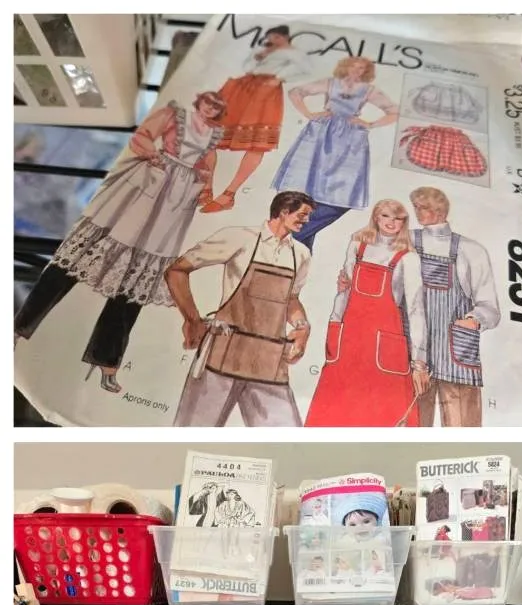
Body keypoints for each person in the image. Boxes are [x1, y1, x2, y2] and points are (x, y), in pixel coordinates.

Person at [14, 92, 226, 393]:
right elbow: (141, 138)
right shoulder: (174, 114)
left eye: (217, 106)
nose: (211, 108)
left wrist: (205, 183)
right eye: (209, 102)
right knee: (81, 255)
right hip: (145, 186)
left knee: (137, 279)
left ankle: (107, 359)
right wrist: (154, 156)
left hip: (175, 204)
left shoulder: (214, 135)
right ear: (200, 101)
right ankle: (19, 327)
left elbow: (209, 163)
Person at [167, 190, 314, 426]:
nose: (307, 221)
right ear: (284, 211)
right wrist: (192, 319)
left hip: (269, 360)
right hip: (223, 353)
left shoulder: (301, 254)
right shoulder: (239, 237)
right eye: (303, 215)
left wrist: (302, 327)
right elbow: (177, 270)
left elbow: (291, 299)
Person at [305, 199, 428, 427]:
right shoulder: (357, 244)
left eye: (397, 218)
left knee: (382, 412)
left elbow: (415, 309)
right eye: (385, 216)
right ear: (375, 217)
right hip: (349, 340)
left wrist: (419, 362)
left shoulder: (408, 257)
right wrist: (334, 327)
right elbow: (344, 292)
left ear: (404, 223)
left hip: (384, 346)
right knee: (335, 410)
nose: (391, 222)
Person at [271, 57, 399, 250]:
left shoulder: (368, 90)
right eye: (353, 66)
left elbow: (395, 111)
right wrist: (309, 114)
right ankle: (296, 252)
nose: (356, 71)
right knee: (307, 190)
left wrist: (370, 124)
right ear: (345, 67)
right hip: (321, 134)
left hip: (350, 140)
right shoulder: (330, 83)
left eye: (361, 68)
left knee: (342, 197)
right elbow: (295, 92)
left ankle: (289, 238)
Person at [408, 187, 500, 426]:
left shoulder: (471, 250)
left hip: (456, 354)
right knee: (410, 428)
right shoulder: (405, 241)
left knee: (463, 430)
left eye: (424, 207)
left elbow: (490, 308)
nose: (418, 212)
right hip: (413, 355)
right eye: (416, 207)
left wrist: (472, 321)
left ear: (440, 210)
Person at [202, 25, 311, 213]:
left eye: (276, 37)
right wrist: (258, 58)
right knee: (210, 137)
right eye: (271, 37)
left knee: (257, 143)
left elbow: (305, 69)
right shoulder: (263, 50)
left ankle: (229, 194)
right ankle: (206, 187)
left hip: (266, 92)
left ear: (285, 37)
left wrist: (279, 77)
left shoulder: (294, 53)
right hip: (244, 87)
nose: (273, 40)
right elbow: (247, 67)